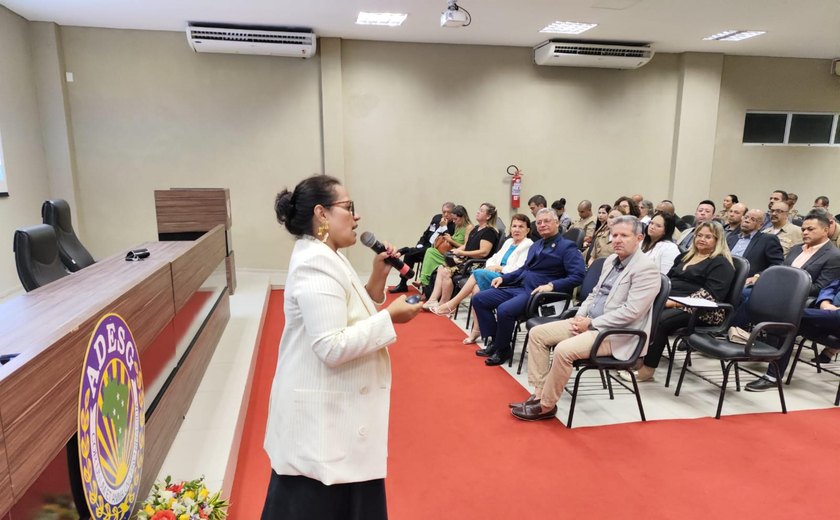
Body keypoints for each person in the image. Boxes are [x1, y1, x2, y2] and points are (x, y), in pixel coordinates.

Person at [262, 175, 423, 520]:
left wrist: (378, 279)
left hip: (336, 416)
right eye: (348, 207)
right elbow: (331, 345)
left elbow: (347, 311)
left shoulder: (327, 253)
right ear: (321, 213)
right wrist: (390, 318)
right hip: (322, 426)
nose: (356, 216)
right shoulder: (314, 263)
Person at [510, 216, 661, 421]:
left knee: (564, 350)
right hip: (589, 323)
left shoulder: (646, 269)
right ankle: (540, 394)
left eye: (624, 235)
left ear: (639, 238)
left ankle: (546, 405)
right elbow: (594, 294)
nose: (617, 239)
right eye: (614, 234)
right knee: (537, 334)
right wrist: (580, 317)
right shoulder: (610, 261)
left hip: (614, 334)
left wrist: (591, 323)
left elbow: (632, 312)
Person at [739, 210, 840, 391]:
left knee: (789, 318)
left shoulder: (833, 255)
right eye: (803, 229)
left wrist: (788, 292)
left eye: (810, 229)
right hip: (798, 301)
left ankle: (772, 373)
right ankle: (737, 340)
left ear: (826, 230)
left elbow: (820, 286)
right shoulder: (795, 249)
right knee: (750, 295)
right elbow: (832, 287)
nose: (805, 232)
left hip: (807, 303)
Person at [472, 208, 586, 366]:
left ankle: (503, 349)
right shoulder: (537, 245)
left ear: (557, 223)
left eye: (547, 221)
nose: (542, 225)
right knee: (479, 299)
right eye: (539, 222)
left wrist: (552, 285)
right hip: (520, 288)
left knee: (504, 310)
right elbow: (524, 269)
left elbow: (578, 276)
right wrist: (504, 279)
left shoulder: (567, 247)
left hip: (539, 294)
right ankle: (496, 342)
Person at [633, 221, 735, 382]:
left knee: (660, 321)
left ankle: (648, 369)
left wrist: (672, 303)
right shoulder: (684, 256)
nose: (702, 239)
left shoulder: (721, 263)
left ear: (718, 240)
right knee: (639, 311)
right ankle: (635, 358)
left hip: (701, 310)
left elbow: (711, 294)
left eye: (708, 237)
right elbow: (666, 280)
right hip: (671, 301)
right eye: (699, 235)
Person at [432, 214, 533, 344]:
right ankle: (476, 331)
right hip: (495, 274)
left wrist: (498, 268)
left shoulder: (528, 244)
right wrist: (492, 267)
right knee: (476, 290)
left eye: (521, 227)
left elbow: (518, 269)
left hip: (508, 278)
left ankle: (452, 304)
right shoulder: (509, 242)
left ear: (527, 230)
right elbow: (493, 258)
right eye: (514, 226)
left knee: (477, 273)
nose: (517, 229)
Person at [422, 203, 500, 310]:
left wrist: (462, 253)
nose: (477, 212)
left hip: (475, 264)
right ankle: (433, 300)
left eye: (481, 211)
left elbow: (483, 252)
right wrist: (457, 250)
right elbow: (467, 245)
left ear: (488, 216)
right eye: (478, 209)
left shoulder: (489, 232)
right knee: (441, 267)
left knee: (445, 271)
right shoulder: (477, 228)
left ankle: (445, 304)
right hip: (467, 260)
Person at [390, 202, 455, 293]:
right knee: (409, 255)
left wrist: (444, 226)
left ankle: (404, 250)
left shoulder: (454, 225)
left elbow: (448, 241)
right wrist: (420, 244)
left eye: (448, 212)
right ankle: (403, 283)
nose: (445, 214)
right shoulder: (437, 218)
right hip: (425, 246)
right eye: (444, 212)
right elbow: (426, 233)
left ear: (453, 213)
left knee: (411, 252)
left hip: (435, 251)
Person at [416, 205, 471, 288]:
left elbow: (467, 247)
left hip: (456, 256)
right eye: (453, 219)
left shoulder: (468, 227)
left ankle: (424, 281)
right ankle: (424, 280)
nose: (454, 221)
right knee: (430, 250)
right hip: (449, 252)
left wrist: (451, 240)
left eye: (456, 219)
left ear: (462, 217)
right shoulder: (457, 225)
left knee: (430, 253)